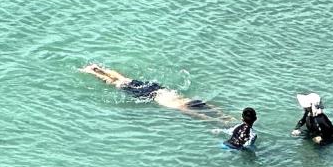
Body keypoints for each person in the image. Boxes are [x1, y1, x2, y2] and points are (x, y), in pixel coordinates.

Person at [79, 64, 232, 124]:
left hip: (156, 90)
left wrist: (220, 118)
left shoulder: (186, 103)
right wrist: (219, 120)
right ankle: (93, 72)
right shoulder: (183, 105)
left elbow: (203, 110)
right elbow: (201, 113)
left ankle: (97, 68)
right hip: (152, 93)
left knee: (123, 80)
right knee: (117, 82)